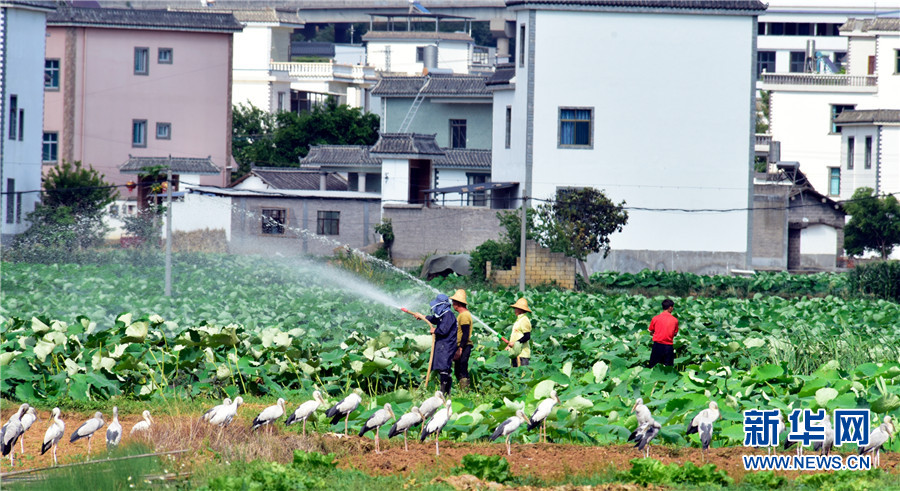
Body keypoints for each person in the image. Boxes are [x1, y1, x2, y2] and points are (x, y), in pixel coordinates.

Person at [412, 294, 458, 396]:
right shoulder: (443, 315)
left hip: (447, 345)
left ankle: (444, 393)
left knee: (444, 368)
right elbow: (434, 319)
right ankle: (444, 393)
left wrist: (435, 330)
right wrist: (423, 317)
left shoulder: (448, 315)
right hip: (442, 345)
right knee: (442, 367)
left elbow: (443, 330)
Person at [450, 289, 473, 390]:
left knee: (462, 369)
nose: (452, 305)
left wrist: (460, 348)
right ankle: (462, 390)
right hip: (461, 345)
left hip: (464, 345)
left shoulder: (464, 315)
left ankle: (465, 391)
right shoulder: (462, 315)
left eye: (453, 302)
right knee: (458, 370)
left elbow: (465, 333)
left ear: (458, 304)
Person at [648, 298, 678, 368]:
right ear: (670, 308)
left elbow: (651, 331)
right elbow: (675, 333)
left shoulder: (655, 318)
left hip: (657, 345)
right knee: (668, 368)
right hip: (668, 346)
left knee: (653, 367)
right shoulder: (675, 320)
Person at [506, 298, 532, 367]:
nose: (515, 310)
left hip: (522, 354)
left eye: (516, 309)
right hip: (515, 353)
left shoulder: (524, 320)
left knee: (522, 372)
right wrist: (509, 346)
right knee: (514, 372)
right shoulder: (518, 320)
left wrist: (515, 343)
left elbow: (527, 336)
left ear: (520, 310)